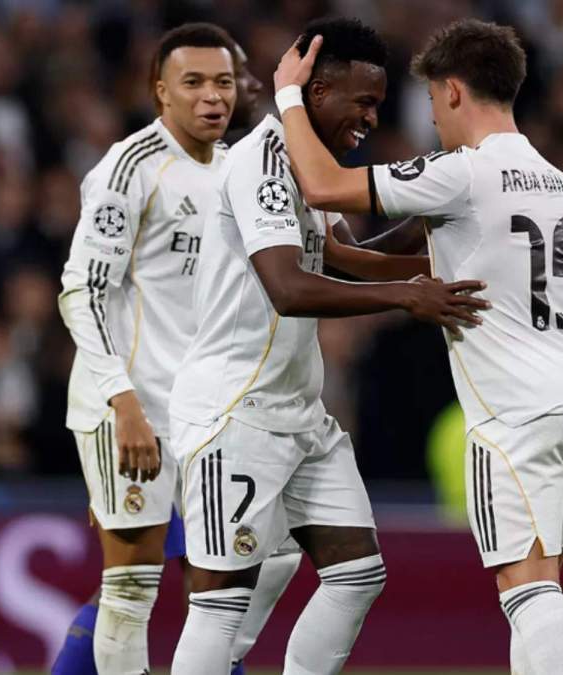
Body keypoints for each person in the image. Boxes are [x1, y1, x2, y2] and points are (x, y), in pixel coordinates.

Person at [275, 19, 563, 675]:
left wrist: (289, 96)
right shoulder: (554, 179)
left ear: (454, 91)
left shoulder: (463, 171)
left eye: (433, 102)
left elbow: (321, 183)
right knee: (541, 584)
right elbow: (410, 243)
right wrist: (344, 254)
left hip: (518, 410)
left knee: (527, 592)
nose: (432, 120)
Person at [167, 17, 489, 675]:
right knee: (220, 604)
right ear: (314, 91)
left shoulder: (307, 166)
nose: (370, 117)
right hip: (234, 412)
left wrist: (424, 235)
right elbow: (288, 285)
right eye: (361, 100)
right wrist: (407, 297)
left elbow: (340, 259)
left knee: (357, 573)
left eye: (378, 103)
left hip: (296, 414)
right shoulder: (260, 158)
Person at [53, 22, 237, 675]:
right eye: (193, 83)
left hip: (207, 410)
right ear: (162, 91)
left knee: (226, 588)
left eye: (223, 82)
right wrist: (123, 402)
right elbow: (83, 292)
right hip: (131, 406)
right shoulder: (129, 168)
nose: (212, 96)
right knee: (132, 588)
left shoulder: (239, 172)